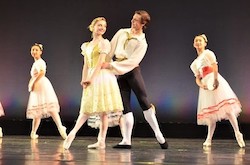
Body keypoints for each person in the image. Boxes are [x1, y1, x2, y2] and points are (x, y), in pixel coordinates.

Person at [102, 10, 168, 149]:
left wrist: (112, 65)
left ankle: (159, 135)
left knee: (144, 102)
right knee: (125, 107)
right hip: (119, 72)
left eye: (136, 20)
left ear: (143, 23)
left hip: (132, 71)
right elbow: (110, 50)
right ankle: (126, 140)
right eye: (133, 19)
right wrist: (105, 64)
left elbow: (133, 61)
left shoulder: (142, 42)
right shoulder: (122, 32)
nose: (133, 22)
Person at [63, 17, 123, 150]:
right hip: (91, 75)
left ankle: (97, 139)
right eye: (99, 25)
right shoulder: (86, 45)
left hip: (102, 77)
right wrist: (84, 79)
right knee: (87, 107)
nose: (102, 28)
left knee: (103, 111)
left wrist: (91, 78)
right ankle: (74, 134)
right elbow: (86, 64)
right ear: (93, 26)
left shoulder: (104, 43)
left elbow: (100, 63)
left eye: (104, 26)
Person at [190, 34, 245, 147]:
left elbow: (214, 66)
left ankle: (237, 133)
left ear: (205, 43)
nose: (198, 43)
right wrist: (202, 85)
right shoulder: (194, 63)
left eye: (200, 41)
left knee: (228, 109)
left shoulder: (208, 53)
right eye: (196, 41)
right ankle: (209, 139)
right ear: (194, 44)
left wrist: (215, 79)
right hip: (206, 85)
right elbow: (197, 78)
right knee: (211, 115)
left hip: (214, 80)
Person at [27, 43, 67, 140]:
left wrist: (33, 83)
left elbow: (42, 72)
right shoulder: (36, 62)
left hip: (41, 85)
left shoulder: (40, 62)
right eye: (33, 50)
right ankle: (33, 132)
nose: (34, 52)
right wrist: (31, 83)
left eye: (36, 50)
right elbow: (36, 75)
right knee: (38, 110)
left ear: (41, 52)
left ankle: (60, 127)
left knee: (50, 107)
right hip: (38, 85)